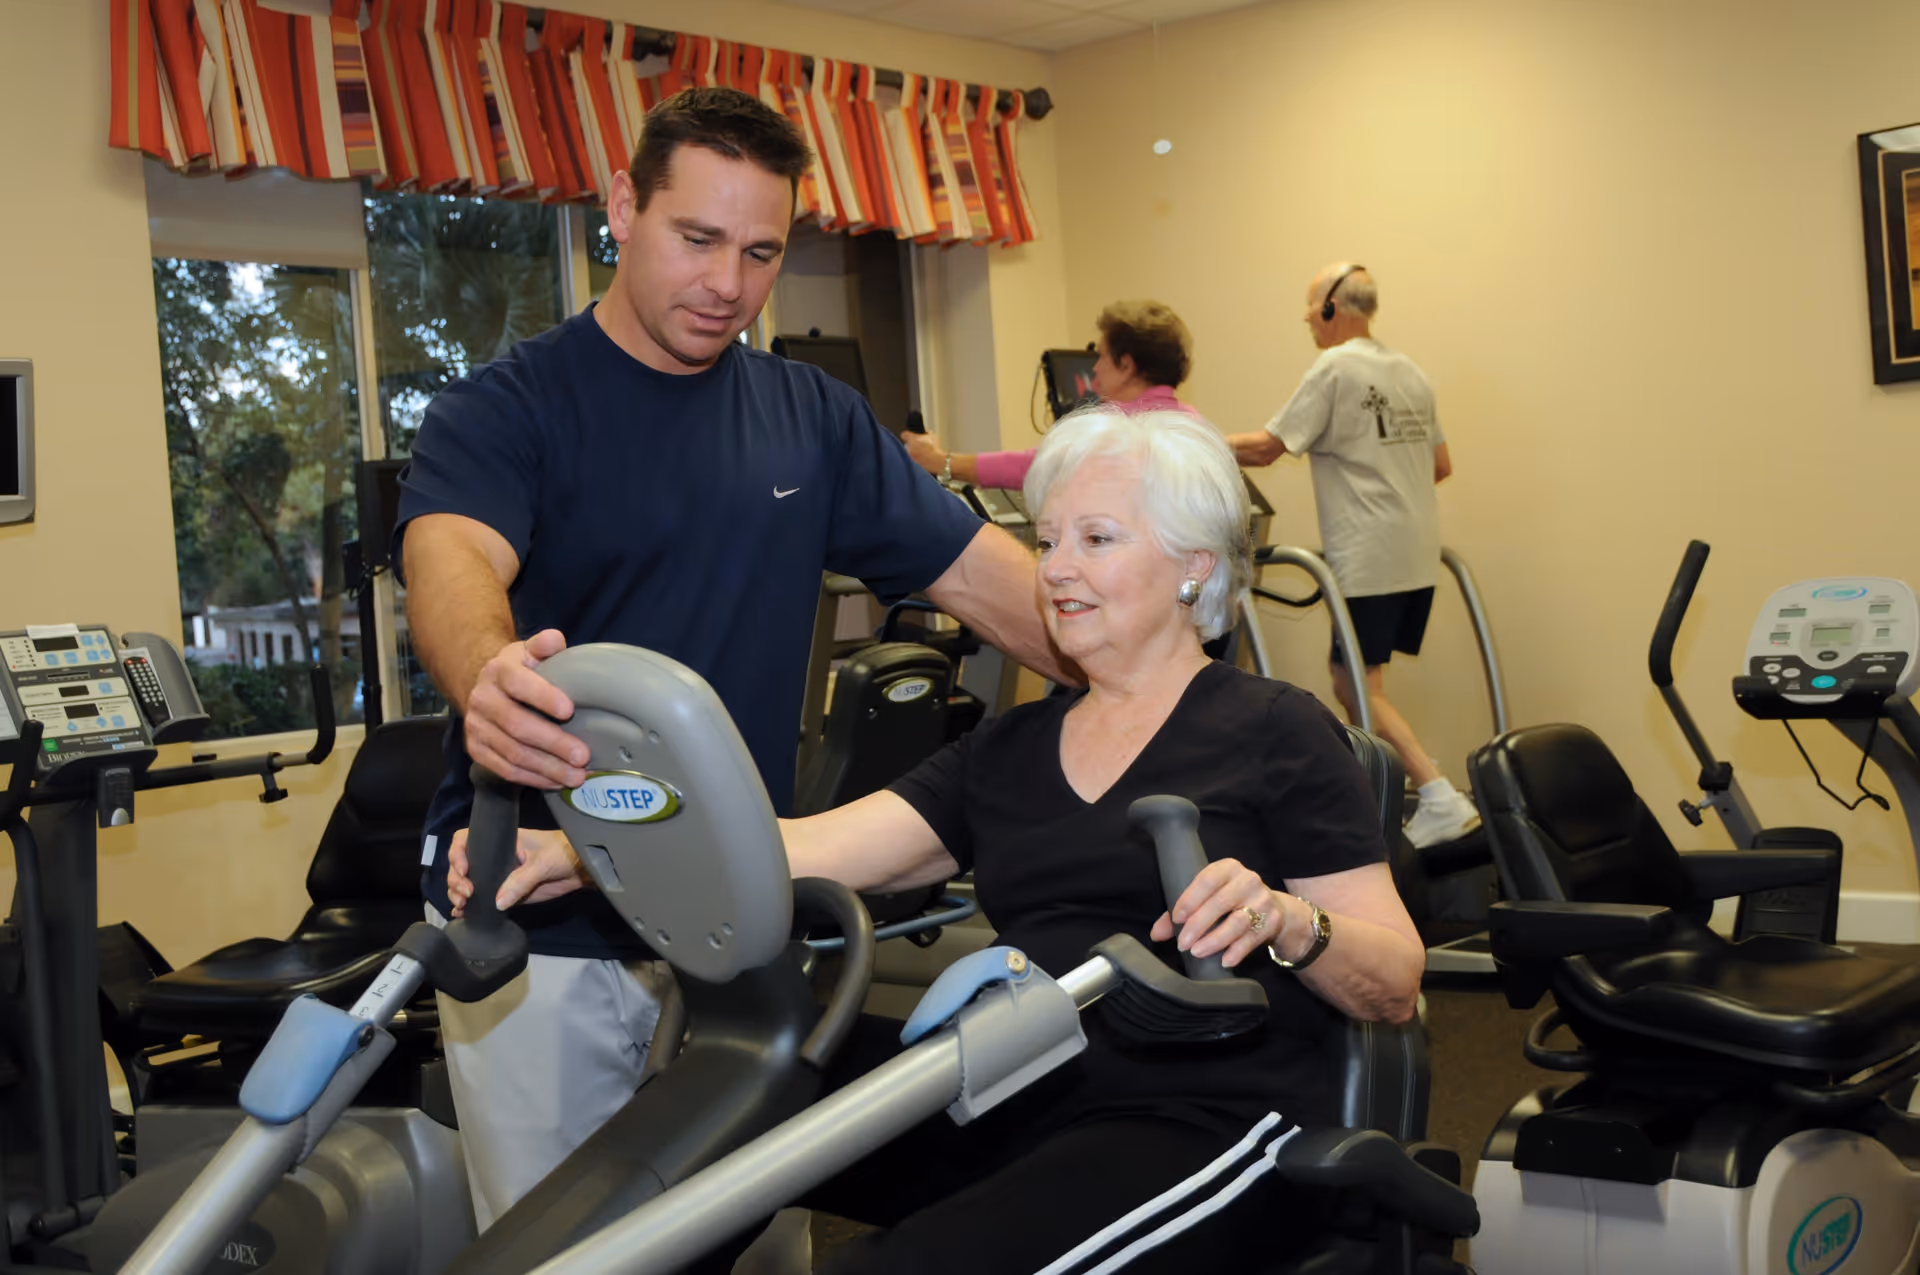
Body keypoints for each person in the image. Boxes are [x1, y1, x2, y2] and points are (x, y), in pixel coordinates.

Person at [451, 406, 1425, 1274]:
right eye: (1048, 542)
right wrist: (578, 851)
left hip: (1207, 1113)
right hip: (1021, 1087)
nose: (1057, 571)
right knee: (741, 1110)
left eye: (1096, 538)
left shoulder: (1275, 728)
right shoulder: (1007, 748)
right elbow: (792, 851)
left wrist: (1290, 921)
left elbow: (1394, 978)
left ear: (1194, 567)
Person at [393, 86, 1070, 1239]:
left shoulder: (810, 416)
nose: (728, 284)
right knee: (570, 1255)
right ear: (622, 206)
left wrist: (1152, 665)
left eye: (761, 251)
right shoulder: (510, 408)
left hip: (734, 918)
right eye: (696, 238)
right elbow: (450, 562)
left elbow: (986, 582)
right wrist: (489, 675)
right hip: (544, 920)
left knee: (754, 1239)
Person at [1223, 263, 1477, 849]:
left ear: (1333, 310)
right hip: (1416, 551)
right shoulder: (1409, 370)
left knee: (1352, 682)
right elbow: (1439, 466)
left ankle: (1436, 793)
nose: (1309, 321)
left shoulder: (1334, 367)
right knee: (1364, 680)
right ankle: (1397, 793)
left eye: (1311, 310)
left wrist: (1183, 434)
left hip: (1367, 551)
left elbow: (1265, 449)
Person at [904, 299, 1197, 489]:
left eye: (1103, 356)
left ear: (1126, 365)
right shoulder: (1194, 425)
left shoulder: (1112, 432)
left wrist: (940, 461)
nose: (1095, 368)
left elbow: (1032, 467)